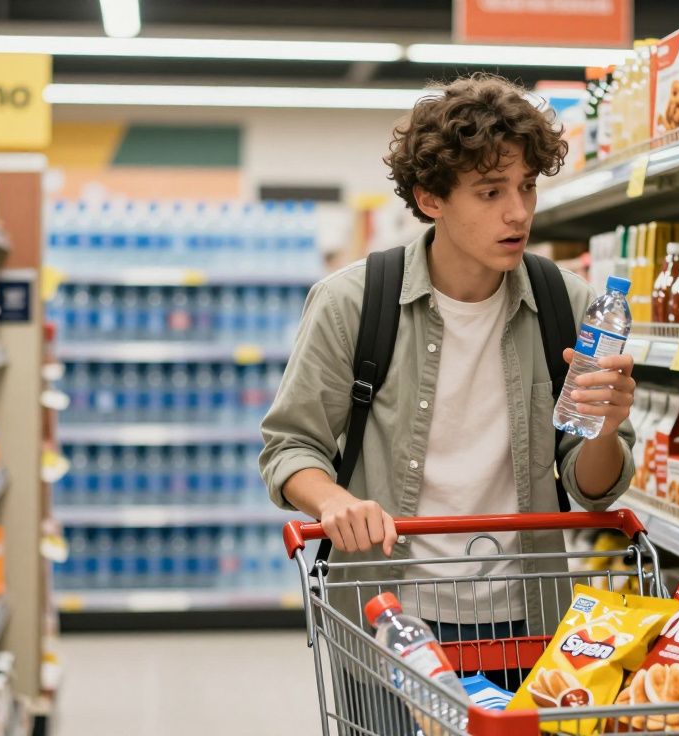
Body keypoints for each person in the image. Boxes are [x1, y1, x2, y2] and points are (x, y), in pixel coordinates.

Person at [259, 73, 638, 732]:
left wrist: (605, 429)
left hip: (529, 623)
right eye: (491, 192)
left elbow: (593, 489)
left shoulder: (567, 303)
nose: (518, 213)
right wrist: (334, 501)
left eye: (526, 187)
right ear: (431, 198)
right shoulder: (353, 304)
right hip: (386, 619)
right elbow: (290, 447)